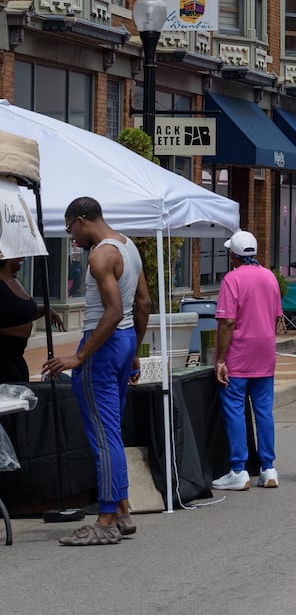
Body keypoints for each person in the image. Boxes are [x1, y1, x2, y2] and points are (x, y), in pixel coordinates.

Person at [40, 198, 148, 545]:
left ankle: (104, 519)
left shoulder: (101, 255)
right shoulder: (128, 245)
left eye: (71, 229)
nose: (72, 238)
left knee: (103, 435)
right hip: (124, 341)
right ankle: (122, 509)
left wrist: (79, 356)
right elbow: (142, 304)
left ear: (83, 220)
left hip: (103, 344)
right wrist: (134, 352)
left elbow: (113, 311)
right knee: (111, 429)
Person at [211, 231, 283, 491]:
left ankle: (239, 469)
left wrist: (220, 359)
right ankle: (268, 467)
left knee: (235, 411)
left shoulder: (232, 279)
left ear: (233, 256)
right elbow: (277, 316)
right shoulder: (270, 277)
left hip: (238, 354)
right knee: (264, 411)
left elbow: (228, 321)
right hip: (265, 352)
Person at [0, 255, 62, 382]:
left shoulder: (14, 280)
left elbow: (19, 314)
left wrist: (44, 310)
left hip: (17, 357)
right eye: (18, 254)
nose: (22, 258)